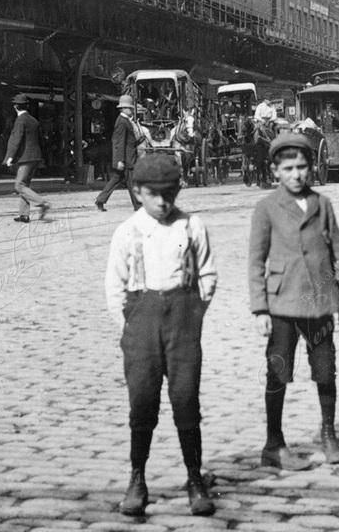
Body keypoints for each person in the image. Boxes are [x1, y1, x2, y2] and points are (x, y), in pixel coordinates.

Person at [104, 152, 217, 518]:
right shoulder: (127, 231)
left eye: (170, 192)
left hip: (183, 320)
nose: (163, 201)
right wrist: (131, 327)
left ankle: (194, 478)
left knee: (186, 400)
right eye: (154, 194)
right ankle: (137, 478)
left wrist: (195, 315)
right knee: (142, 403)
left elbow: (208, 275)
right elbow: (114, 286)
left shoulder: (191, 225)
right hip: (142, 322)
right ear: (137, 192)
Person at [248, 132, 339, 470]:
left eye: (303, 167)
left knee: (325, 369)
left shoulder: (322, 204)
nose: (297, 174)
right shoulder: (266, 208)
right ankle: (274, 443)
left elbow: (337, 250)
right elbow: (255, 260)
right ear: (275, 171)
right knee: (278, 372)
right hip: (281, 304)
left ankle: (328, 433)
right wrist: (260, 308)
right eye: (289, 168)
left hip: (321, 301)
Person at [4, 94, 49, 224]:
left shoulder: (20, 120)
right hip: (35, 158)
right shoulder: (34, 120)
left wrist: (10, 157)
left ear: (15, 107)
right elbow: (41, 141)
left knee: (19, 185)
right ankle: (24, 215)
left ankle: (42, 202)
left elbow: (15, 140)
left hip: (26, 158)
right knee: (25, 185)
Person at [96, 95, 143, 212]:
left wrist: (139, 141)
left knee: (115, 179)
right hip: (127, 159)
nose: (132, 110)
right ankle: (138, 206)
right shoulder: (122, 122)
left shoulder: (124, 121)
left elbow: (127, 141)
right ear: (123, 109)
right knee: (132, 182)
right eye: (130, 108)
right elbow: (119, 142)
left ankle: (100, 200)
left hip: (127, 156)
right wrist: (120, 160)